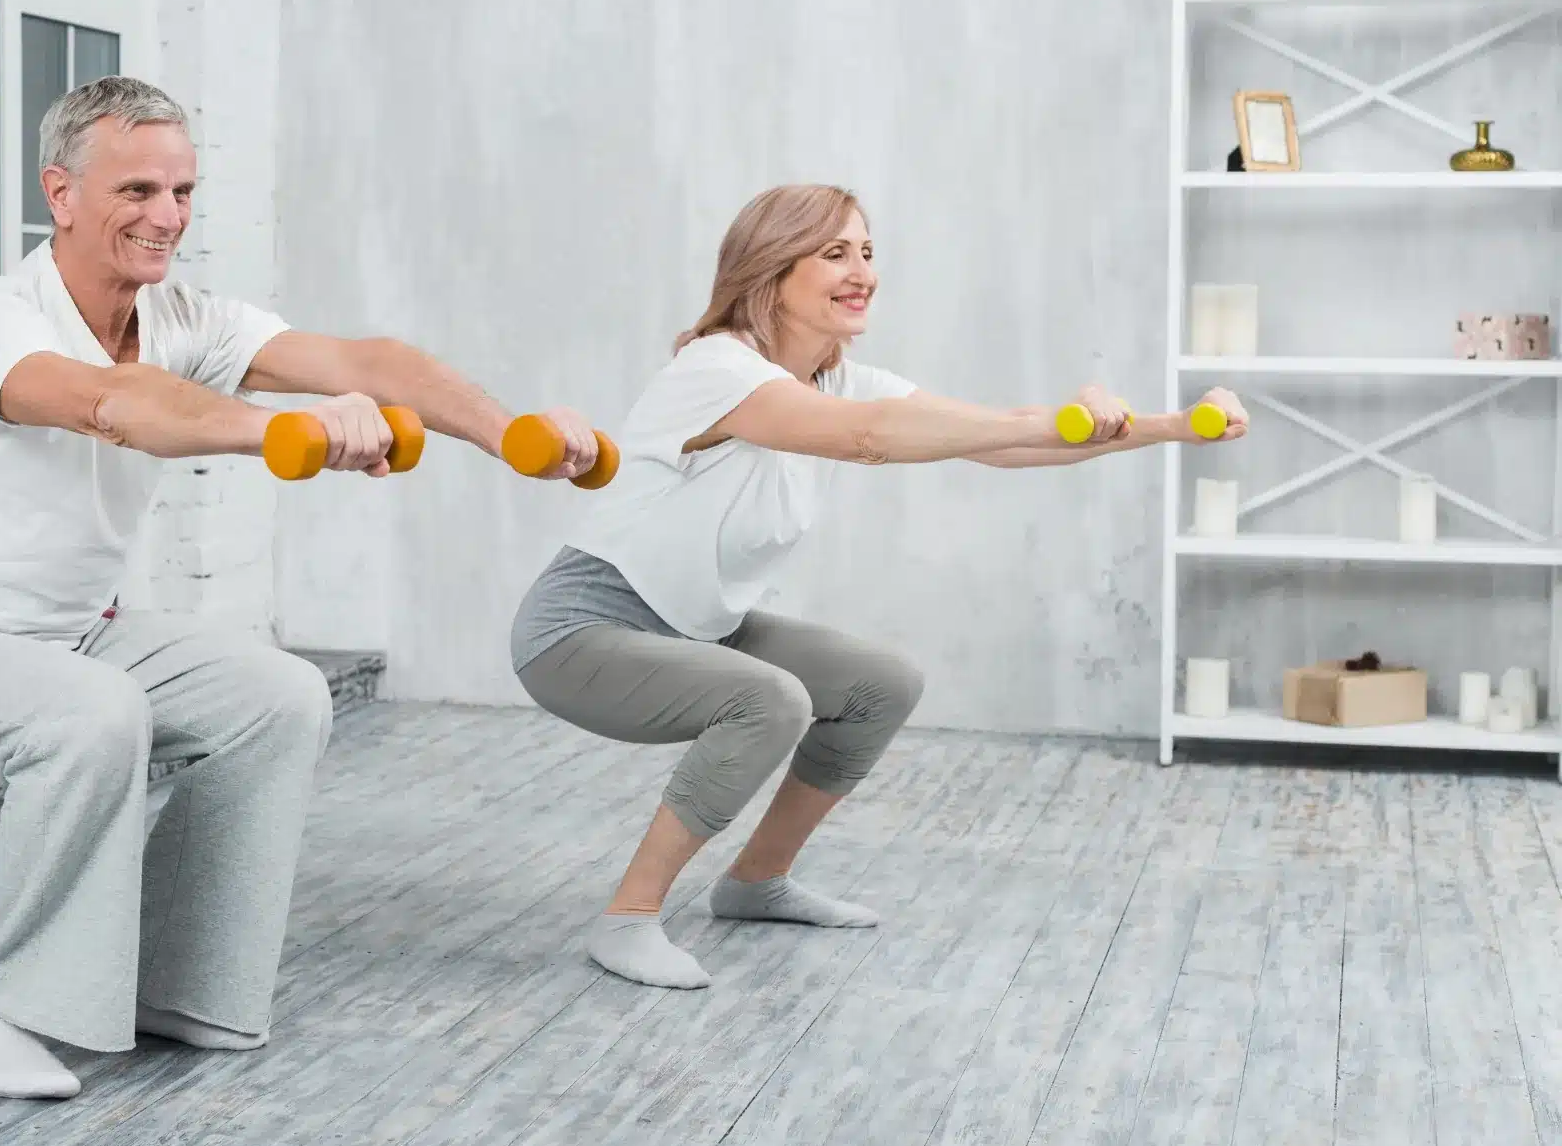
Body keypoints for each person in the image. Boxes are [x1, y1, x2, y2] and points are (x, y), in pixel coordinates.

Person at [0, 75, 601, 1100]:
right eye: (137, 190)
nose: (167, 216)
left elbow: (365, 360)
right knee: (94, 712)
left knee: (278, 696)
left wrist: (510, 435)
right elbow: (112, 404)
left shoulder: (182, 317)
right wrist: (286, 431)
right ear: (60, 194)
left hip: (71, 635)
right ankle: (3, 1014)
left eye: (182, 190)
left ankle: (180, 987)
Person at [507, 183, 1247, 990]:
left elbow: (997, 442)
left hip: (697, 624)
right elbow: (868, 439)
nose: (861, 272)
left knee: (878, 683)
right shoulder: (716, 369)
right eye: (834, 254)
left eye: (865, 251)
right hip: (583, 631)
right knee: (768, 700)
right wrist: (1051, 420)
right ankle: (627, 918)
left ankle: (755, 882)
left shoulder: (839, 379)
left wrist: (1170, 426)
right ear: (769, 269)